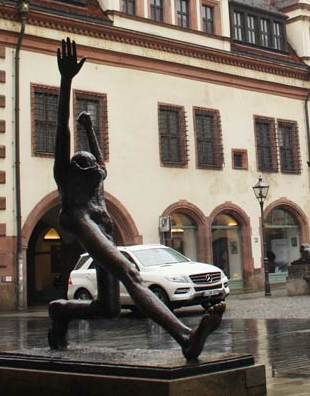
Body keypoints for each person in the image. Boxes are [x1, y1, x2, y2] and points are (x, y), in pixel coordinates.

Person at [47, 38, 225, 360]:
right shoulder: (67, 179)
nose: (92, 171)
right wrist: (65, 80)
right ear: (73, 171)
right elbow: (61, 130)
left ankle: (60, 311)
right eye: (85, 167)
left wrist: (89, 128)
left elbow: (100, 160)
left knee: (109, 308)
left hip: (102, 228)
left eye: (93, 168)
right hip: (81, 221)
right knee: (129, 273)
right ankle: (185, 337)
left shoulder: (95, 177)